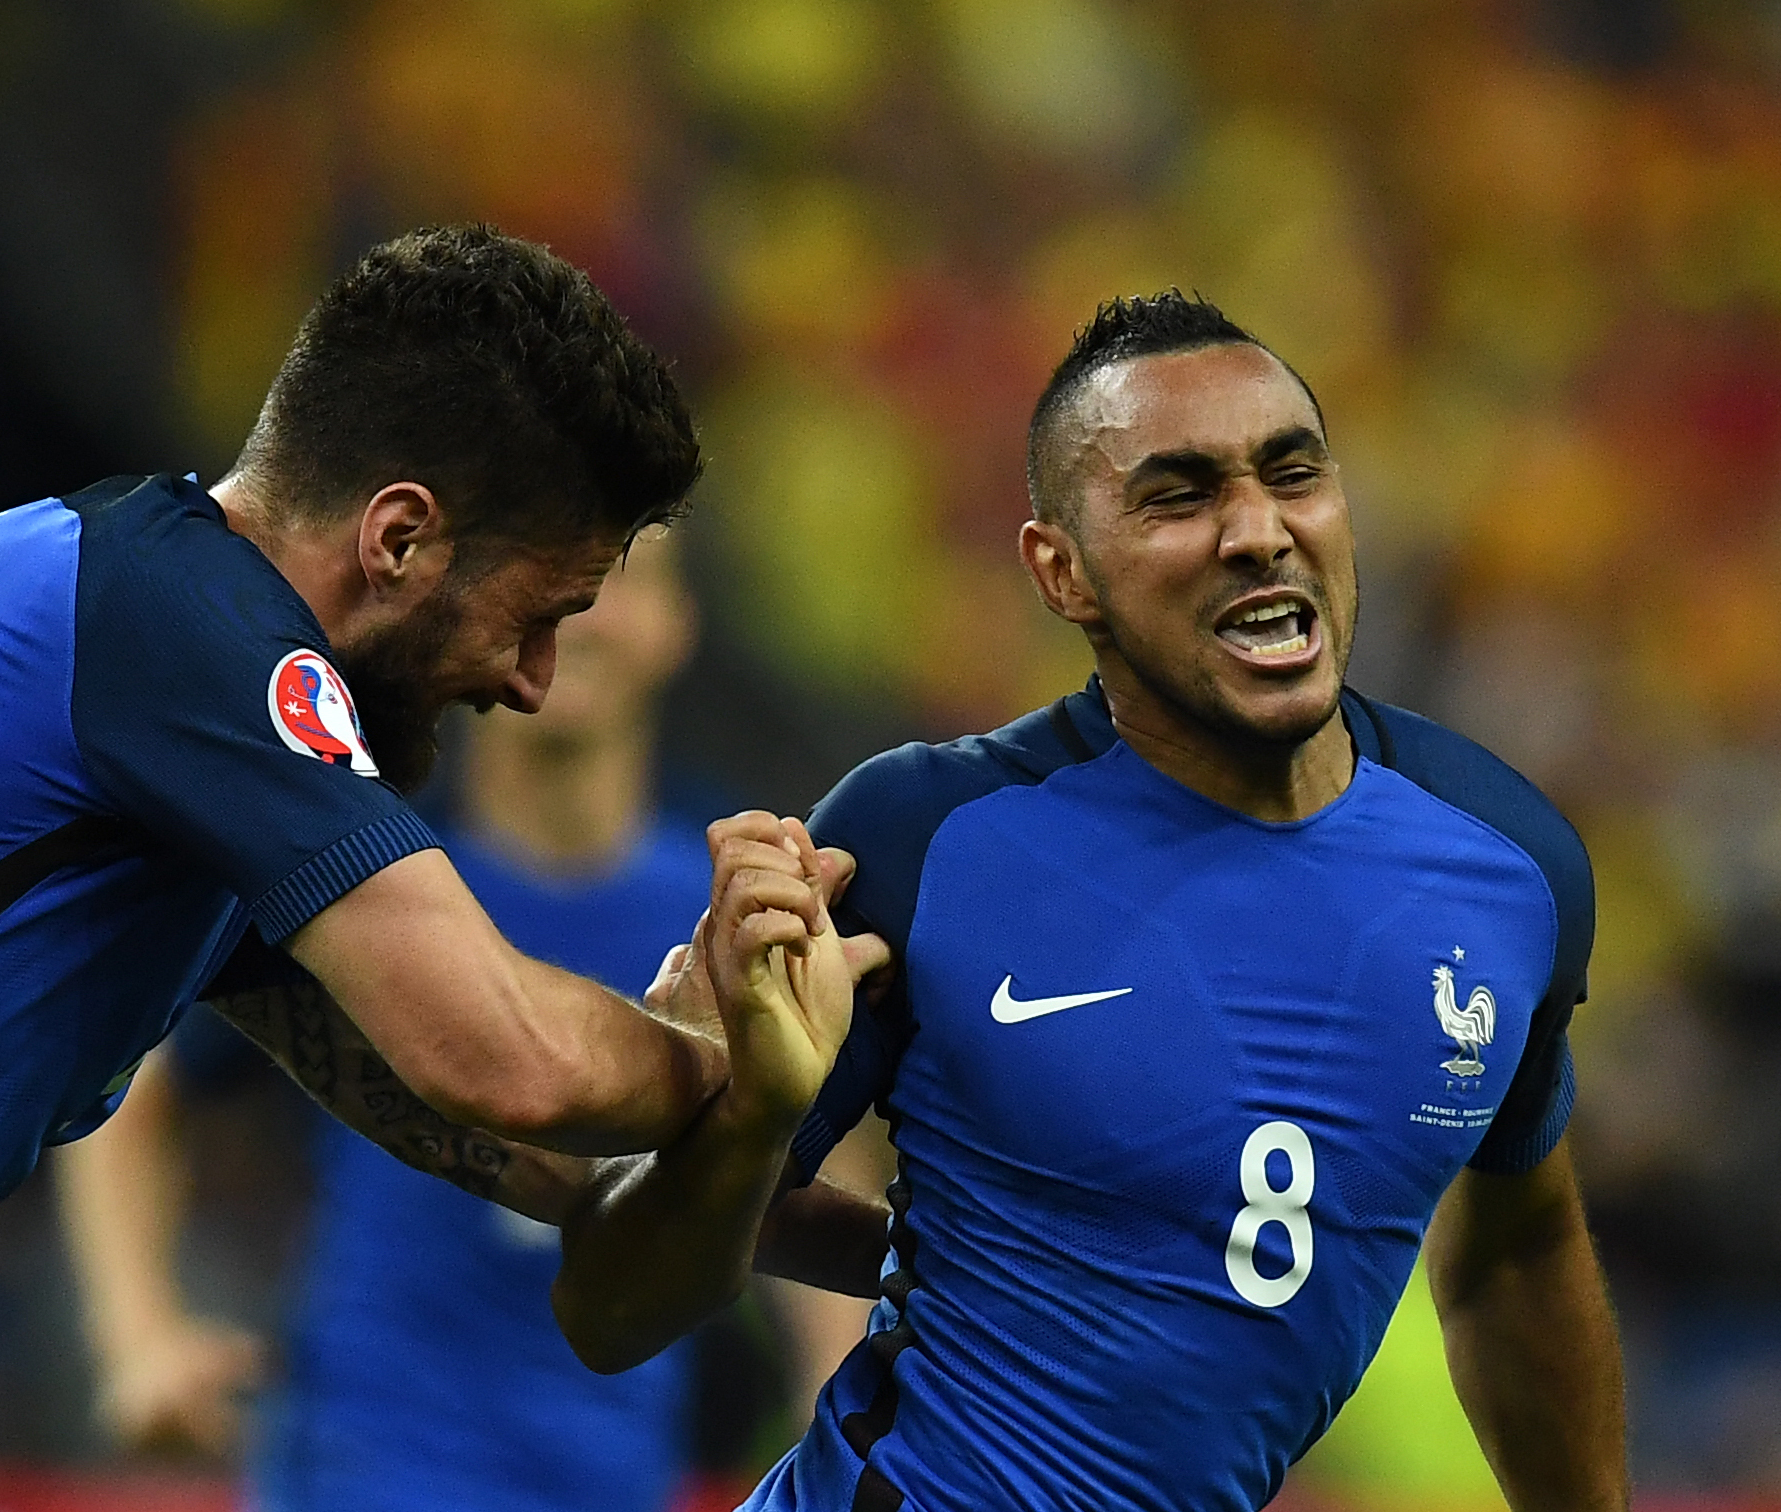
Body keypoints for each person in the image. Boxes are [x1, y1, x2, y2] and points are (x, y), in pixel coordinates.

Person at [0, 225, 850, 1452]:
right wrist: (736, 1054)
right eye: (538, 615)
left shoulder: (171, 744)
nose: (533, 683)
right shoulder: (182, 631)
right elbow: (508, 1058)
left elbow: (543, 1162)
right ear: (397, 539)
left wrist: (949, 1233)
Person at [547, 292, 1632, 1512]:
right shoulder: (917, 845)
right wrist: (748, 1119)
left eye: (1292, 473)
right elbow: (611, 1310)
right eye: (1179, 494)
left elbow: (1515, 1252)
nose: (1259, 530)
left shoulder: (1508, 865)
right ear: (1062, 573)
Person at [58, 541, 878, 1511]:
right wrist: (137, 1340)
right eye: (555, 575)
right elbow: (133, 1085)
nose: (582, 613)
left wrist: (845, 1437)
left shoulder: (742, 904)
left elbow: (808, 1176)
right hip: (365, 1474)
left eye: (621, 579)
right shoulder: (361, 875)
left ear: (677, 624)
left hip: (612, 1484)